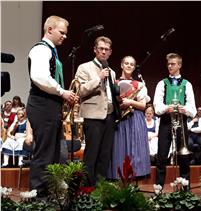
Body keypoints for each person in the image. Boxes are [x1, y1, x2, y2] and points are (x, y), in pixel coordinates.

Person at [26, 15, 77, 197]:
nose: (65, 36)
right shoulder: (41, 50)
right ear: (49, 30)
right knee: (44, 153)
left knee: (54, 153)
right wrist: (62, 91)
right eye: (61, 32)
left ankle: (48, 193)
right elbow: (39, 77)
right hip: (42, 104)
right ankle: (38, 196)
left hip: (50, 105)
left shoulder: (52, 51)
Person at [75, 36, 118, 185]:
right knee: (91, 154)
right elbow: (79, 90)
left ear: (110, 52)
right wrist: (98, 78)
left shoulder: (112, 72)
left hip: (110, 115)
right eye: (101, 49)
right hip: (93, 116)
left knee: (105, 155)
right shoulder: (84, 67)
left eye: (107, 50)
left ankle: (100, 189)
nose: (104, 52)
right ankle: (86, 189)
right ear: (95, 50)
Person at [153, 53, 196, 189]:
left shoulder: (187, 84)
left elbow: (193, 108)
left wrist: (185, 110)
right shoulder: (162, 83)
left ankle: (185, 187)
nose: (170, 66)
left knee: (183, 156)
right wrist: (167, 108)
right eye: (168, 64)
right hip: (166, 122)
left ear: (179, 65)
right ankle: (159, 187)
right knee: (162, 156)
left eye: (173, 64)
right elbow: (156, 105)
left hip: (181, 122)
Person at [108, 55, 151, 180]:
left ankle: (135, 175)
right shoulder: (113, 83)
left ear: (134, 68)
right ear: (121, 65)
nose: (128, 66)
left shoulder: (139, 84)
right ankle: (117, 175)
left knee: (135, 148)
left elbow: (143, 105)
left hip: (135, 118)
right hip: (118, 118)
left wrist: (130, 102)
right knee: (119, 148)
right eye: (126, 63)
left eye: (131, 64)